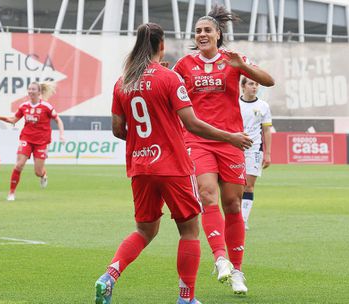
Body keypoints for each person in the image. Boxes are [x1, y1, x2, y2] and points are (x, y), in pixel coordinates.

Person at [94, 23, 252, 304]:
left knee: (144, 230)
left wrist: (144, 141)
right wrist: (230, 137)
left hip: (141, 166)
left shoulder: (123, 82)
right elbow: (192, 123)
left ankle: (109, 276)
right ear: (161, 45)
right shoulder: (169, 78)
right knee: (190, 230)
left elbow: (118, 130)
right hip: (173, 167)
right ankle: (186, 298)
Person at [172, 5, 275, 295]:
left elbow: (269, 80)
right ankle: (220, 258)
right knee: (207, 194)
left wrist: (242, 67)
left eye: (207, 30)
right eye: (198, 31)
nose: (202, 34)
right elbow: (169, 93)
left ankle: (238, 271)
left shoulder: (233, 60)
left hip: (231, 141)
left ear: (218, 34)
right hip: (197, 140)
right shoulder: (184, 65)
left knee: (233, 205)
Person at [3, 82, 65, 201]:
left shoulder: (46, 107)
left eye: (33, 89)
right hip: (26, 138)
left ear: (39, 92)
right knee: (19, 164)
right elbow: (13, 120)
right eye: (29, 89)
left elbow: (58, 120)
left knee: (38, 171)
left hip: (42, 141)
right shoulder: (24, 106)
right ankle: (11, 193)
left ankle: (43, 174)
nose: (30, 91)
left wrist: (61, 134)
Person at [239, 77, 272, 230]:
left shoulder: (263, 106)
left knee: (249, 186)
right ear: (243, 86)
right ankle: (235, 216)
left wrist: (268, 153)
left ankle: (243, 220)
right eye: (251, 84)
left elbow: (266, 130)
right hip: (234, 147)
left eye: (256, 84)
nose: (254, 87)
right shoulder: (234, 103)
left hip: (254, 149)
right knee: (235, 187)